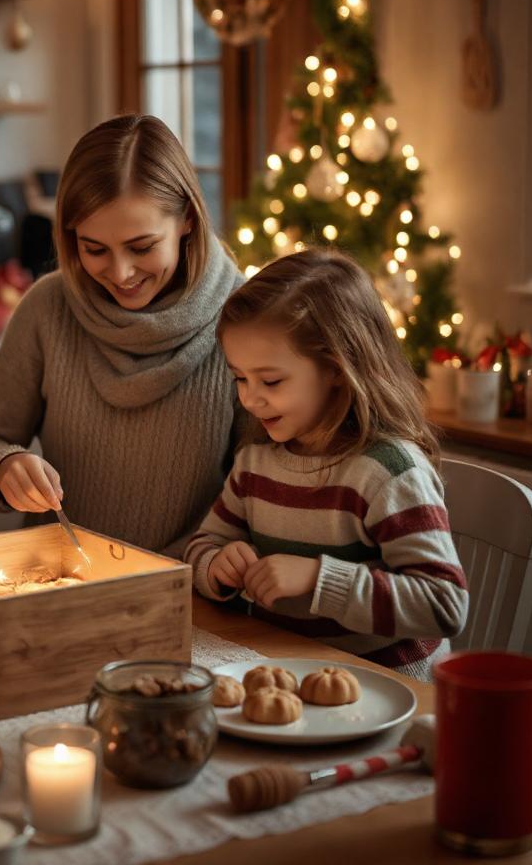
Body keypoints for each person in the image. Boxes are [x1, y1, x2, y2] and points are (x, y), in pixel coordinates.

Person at [0, 114, 243, 555]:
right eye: (94, 249)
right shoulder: (46, 307)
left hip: (191, 594)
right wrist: (4, 466)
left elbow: (265, 492)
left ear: (187, 218)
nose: (121, 273)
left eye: (142, 247)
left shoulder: (245, 320)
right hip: (60, 582)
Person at [184, 248, 468, 679]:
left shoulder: (388, 472)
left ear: (336, 368)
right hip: (286, 670)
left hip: (386, 683)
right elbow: (203, 546)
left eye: (271, 380)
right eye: (239, 377)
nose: (249, 398)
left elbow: (444, 604)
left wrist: (319, 580)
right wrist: (216, 566)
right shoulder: (255, 463)